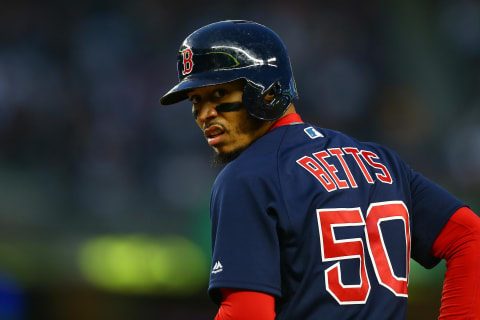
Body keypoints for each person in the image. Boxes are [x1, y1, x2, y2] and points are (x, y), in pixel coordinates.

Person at [160, 20, 480, 320]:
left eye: (218, 95)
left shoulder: (247, 178)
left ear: (267, 91)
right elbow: (470, 237)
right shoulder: (381, 161)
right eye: (196, 101)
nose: (204, 114)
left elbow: (247, 311)